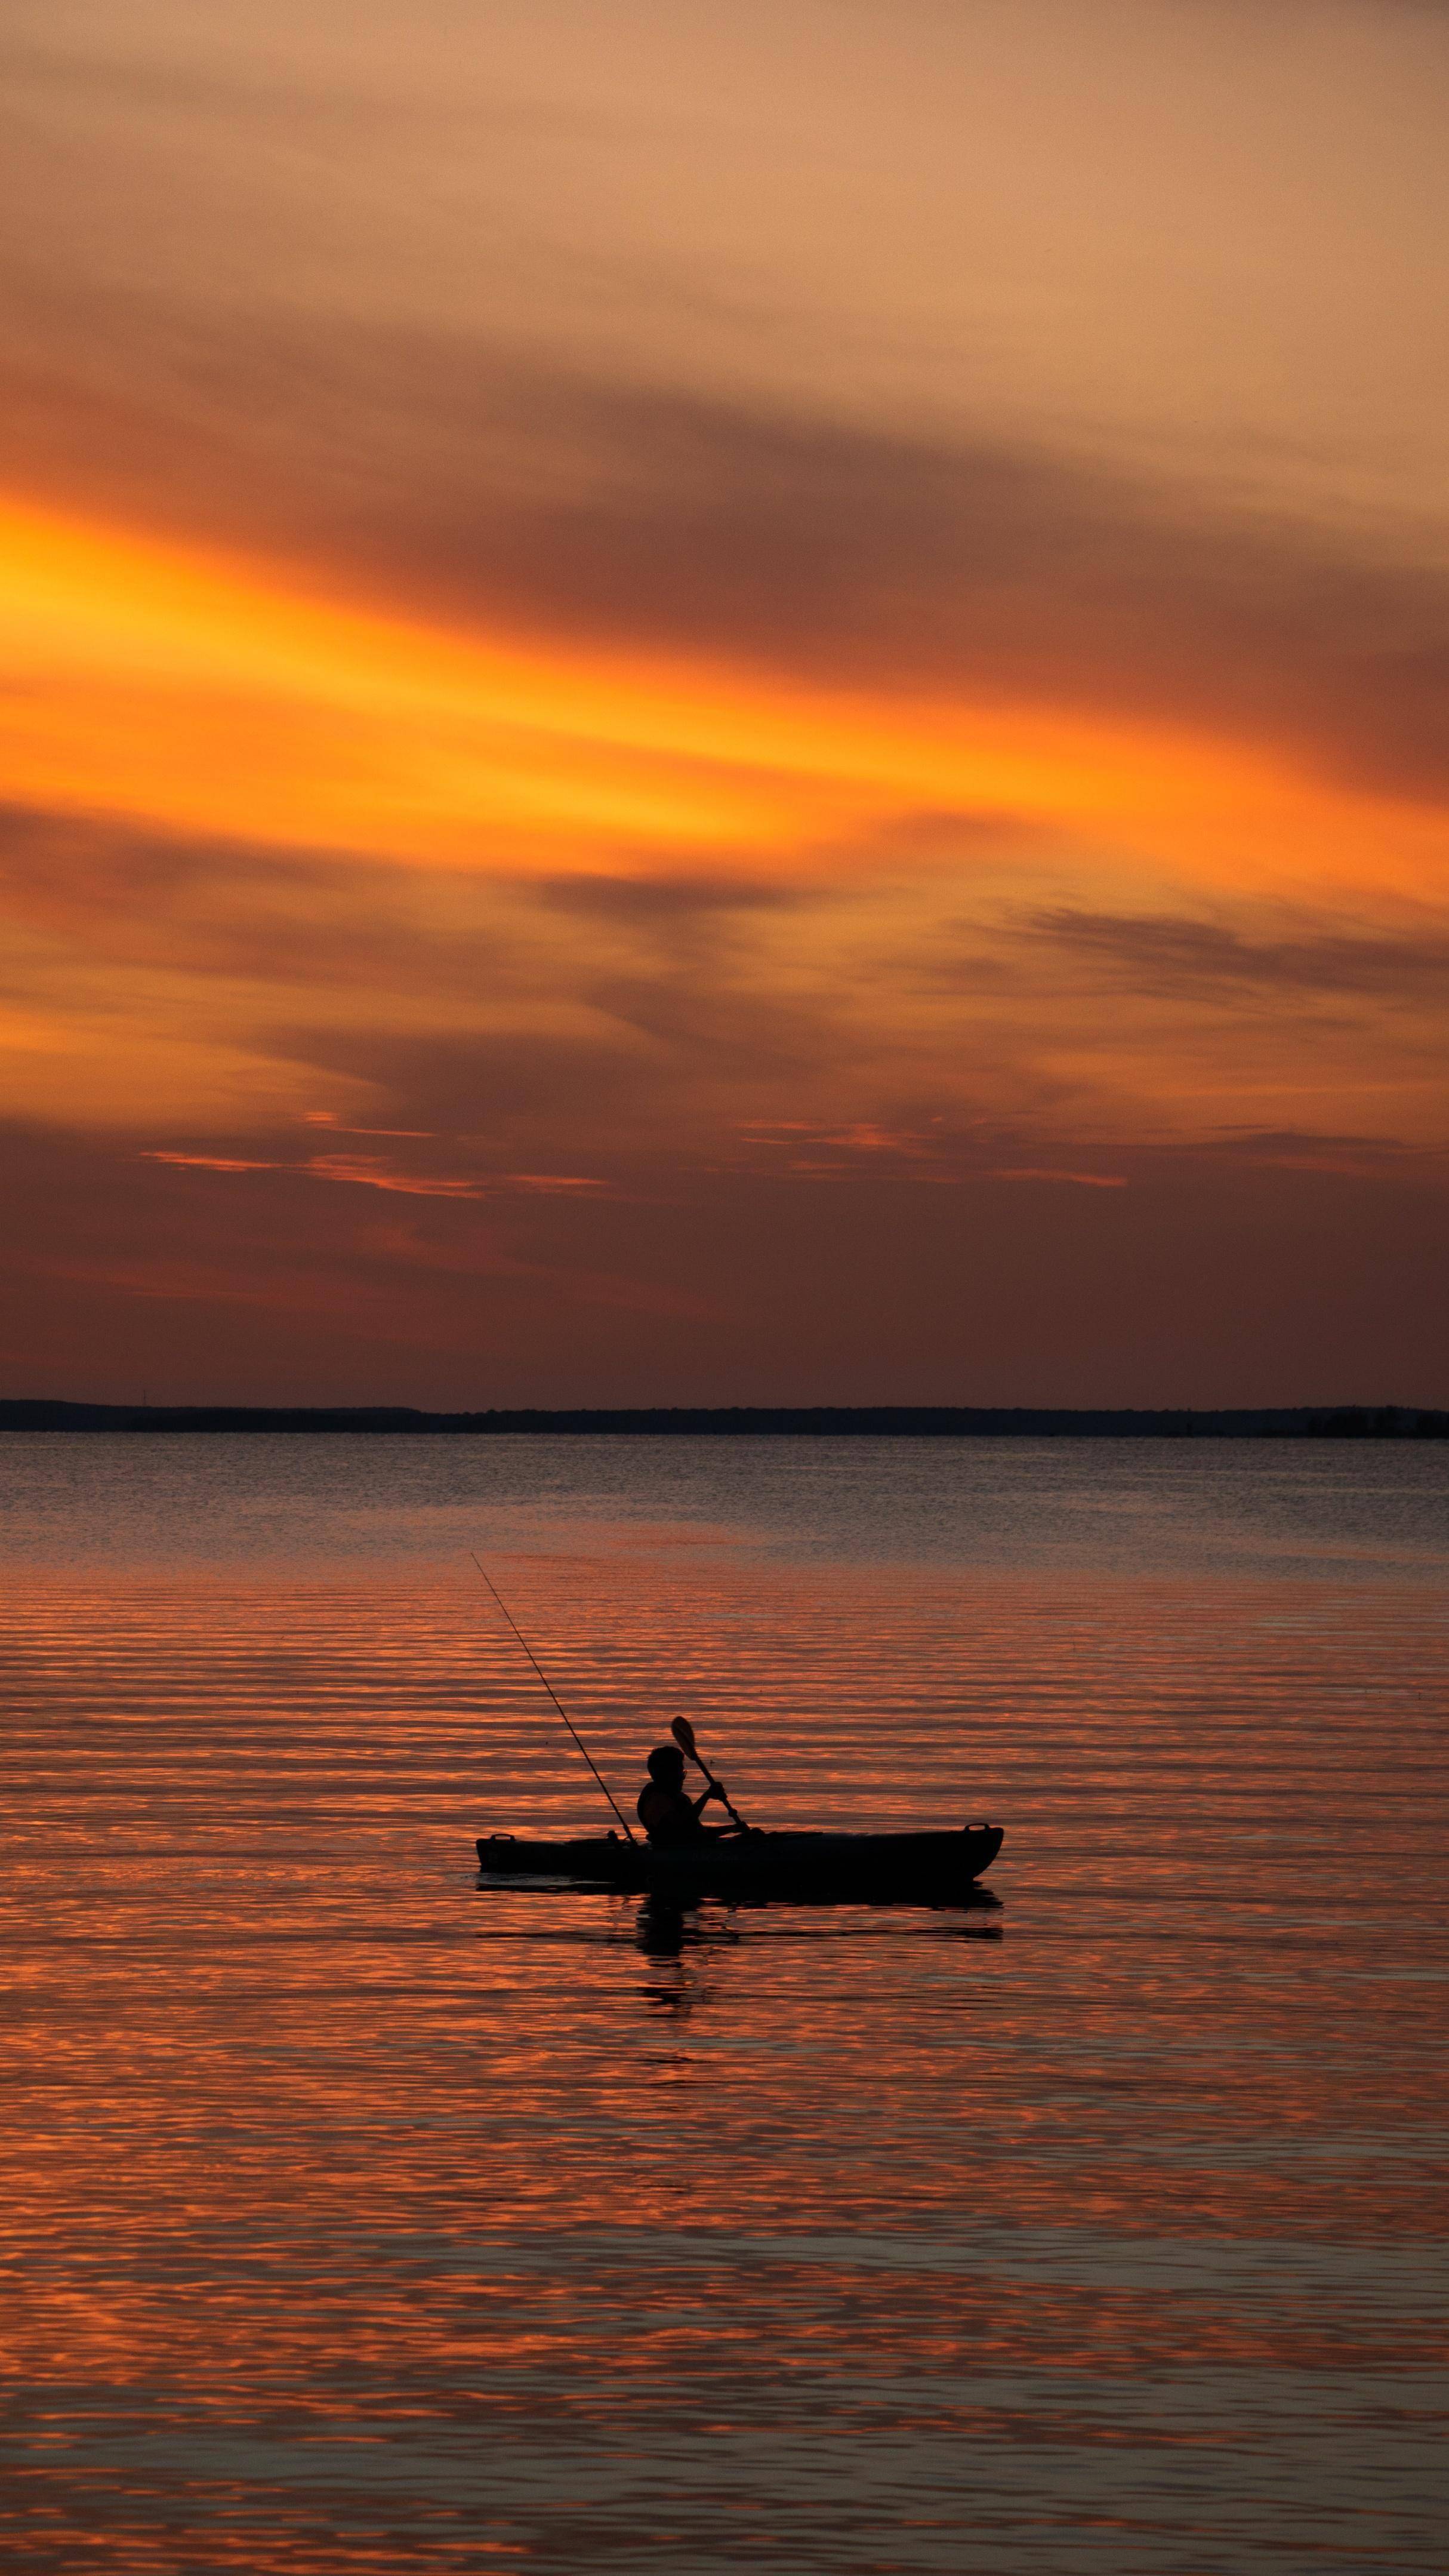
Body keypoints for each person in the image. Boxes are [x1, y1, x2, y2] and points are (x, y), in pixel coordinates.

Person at [636, 1742, 742, 1846]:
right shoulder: (657, 1801)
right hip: (675, 1852)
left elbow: (698, 1832)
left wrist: (732, 1828)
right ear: (668, 1774)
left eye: (683, 1772)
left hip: (692, 1847)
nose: (683, 1777)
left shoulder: (678, 1797)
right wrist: (706, 1796)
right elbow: (681, 1826)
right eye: (679, 1772)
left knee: (754, 1834)